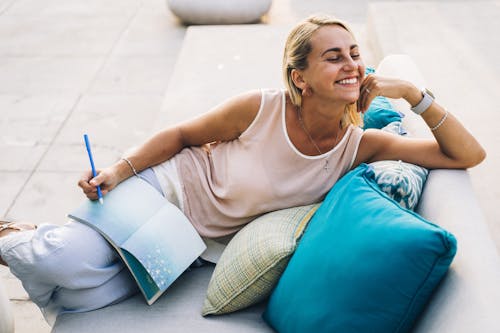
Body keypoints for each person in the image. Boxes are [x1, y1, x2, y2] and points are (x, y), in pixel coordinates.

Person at [0, 14, 485, 324]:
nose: (352, 66)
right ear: (301, 77)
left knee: (82, 299)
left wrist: (414, 95)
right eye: (334, 57)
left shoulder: (360, 146)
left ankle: (33, 234)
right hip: (159, 194)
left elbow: (467, 155)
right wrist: (119, 170)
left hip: (184, 244)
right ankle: (12, 236)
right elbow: (180, 136)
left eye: (355, 55)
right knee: (56, 261)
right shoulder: (262, 107)